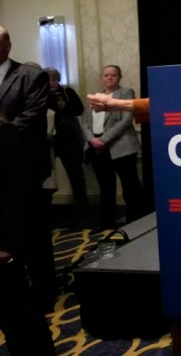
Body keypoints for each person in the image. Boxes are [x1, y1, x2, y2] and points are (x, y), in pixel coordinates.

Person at [0, 27, 58, 313]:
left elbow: (32, 119)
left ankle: (45, 292)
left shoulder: (30, 75)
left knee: (33, 235)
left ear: (8, 45)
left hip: (24, 169)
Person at [0, 119, 57, 356]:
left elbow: (18, 190)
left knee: (19, 317)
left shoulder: (4, 133)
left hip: (3, 245)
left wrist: (7, 243)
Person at [81, 65, 144, 229]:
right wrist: (92, 140)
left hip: (121, 146)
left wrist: (104, 139)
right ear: (102, 78)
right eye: (106, 75)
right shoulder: (95, 96)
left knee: (130, 187)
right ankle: (106, 223)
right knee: (106, 188)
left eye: (113, 75)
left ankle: (134, 222)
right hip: (96, 148)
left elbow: (126, 119)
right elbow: (85, 122)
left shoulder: (126, 93)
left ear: (119, 77)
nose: (109, 78)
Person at [45, 67, 88, 208]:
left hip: (67, 139)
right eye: (47, 80)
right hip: (45, 139)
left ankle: (82, 206)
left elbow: (79, 110)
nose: (50, 83)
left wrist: (64, 105)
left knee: (75, 173)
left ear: (58, 80)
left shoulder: (67, 92)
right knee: (45, 175)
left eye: (53, 79)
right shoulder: (37, 94)